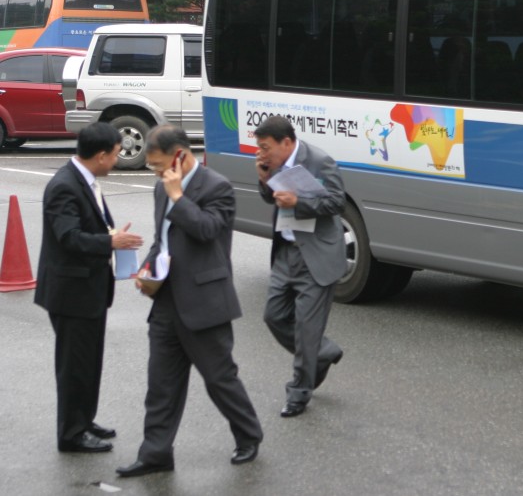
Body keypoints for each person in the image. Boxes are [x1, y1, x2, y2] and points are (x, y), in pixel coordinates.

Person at [116, 126, 263, 477]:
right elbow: (162, 240)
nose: (154, 171)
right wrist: (148, 271)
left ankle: (248, 435)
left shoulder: (217, 187)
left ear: (180, 155)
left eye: (158, 164)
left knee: (219, 378)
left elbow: (208, 231)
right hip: (166, 300)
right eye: (151, 166)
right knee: (161, 384)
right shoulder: (159, 187)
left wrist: (179, 197)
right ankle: (156, 453)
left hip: (204, 299)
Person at [35, 122, 144, 453]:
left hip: (89, 290)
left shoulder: (85, 180)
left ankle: (84, 419)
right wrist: (110, 242)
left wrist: (109, 236)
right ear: (100, 155)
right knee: (74, 365)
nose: (116, 159)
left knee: (88, 361)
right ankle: (71, 434)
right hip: (72, 293)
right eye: (114, 154)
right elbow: (69, 237)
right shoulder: (64, 186)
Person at [254, 116, 346, 418]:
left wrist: (299, 201)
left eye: (266, 148)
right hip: (286, 251)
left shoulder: (320, 161)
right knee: (273, 316)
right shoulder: (272, 163)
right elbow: (272, 199)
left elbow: (336, 203)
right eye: (260, 147)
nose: (262, 153)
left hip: (316, 253)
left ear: (287, 143)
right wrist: (265, 181)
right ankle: (323, 351)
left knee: (307, 329)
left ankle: (299, 393)